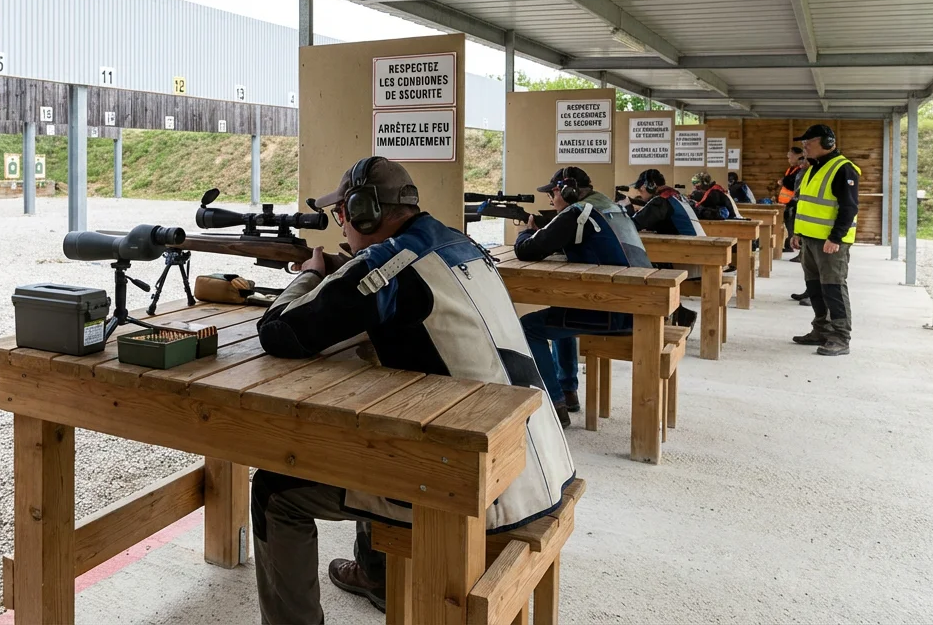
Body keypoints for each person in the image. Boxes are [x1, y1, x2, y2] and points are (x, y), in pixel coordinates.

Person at [253, 156, 574, 623]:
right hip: (537, 459)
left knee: (275, 490)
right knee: (371, 437)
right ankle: (377, 575)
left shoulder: (390, 263)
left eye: (343, 214)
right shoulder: (459, 244)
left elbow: (278, 331)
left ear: (364, 211)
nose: (342, 227)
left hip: (481, 489)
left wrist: (311, 273)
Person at [514, 167, 635, 427]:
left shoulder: (577, 212)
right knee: (563, 308)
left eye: (554, 193)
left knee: (529, 328)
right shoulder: (608, 207)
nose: (552, 200)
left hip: (614, 313)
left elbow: (527, 250)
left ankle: (554, 405)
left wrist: (525, 231)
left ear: (566, 190)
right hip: (631, 305)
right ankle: (567, 391)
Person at [789, 124, 860, 356]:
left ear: (828, 144)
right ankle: (820, 330)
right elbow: (807, 204)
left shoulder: (843, 169)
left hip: (830, 242)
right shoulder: (813, 168)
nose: (805, 146)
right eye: (803, 143)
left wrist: (836, 237)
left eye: (809, 142)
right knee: (815, 288)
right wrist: (798, 233)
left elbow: (849, 208)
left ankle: (841, 337)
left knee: (833, 288)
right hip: (810, 240)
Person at [629, 168, 704, 330]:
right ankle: (679, 314)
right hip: (697, 254)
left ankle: (660, 319)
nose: (639, 192)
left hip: (690, 260)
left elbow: (634, 224)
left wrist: (626, 209)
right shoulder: (675, 196)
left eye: (641, 188)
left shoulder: (660, 201)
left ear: (650, 186)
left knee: (643, 272)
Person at [777, 147, 808, 263]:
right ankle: (798, 250)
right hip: (792, 202)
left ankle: (802, 252)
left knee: (798, 229)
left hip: (797, 202)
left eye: (803, 161)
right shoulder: (794, 170)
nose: (802, 164)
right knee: (793, 229)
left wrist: (784, 181)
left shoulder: (803, 171)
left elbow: (793, 184)